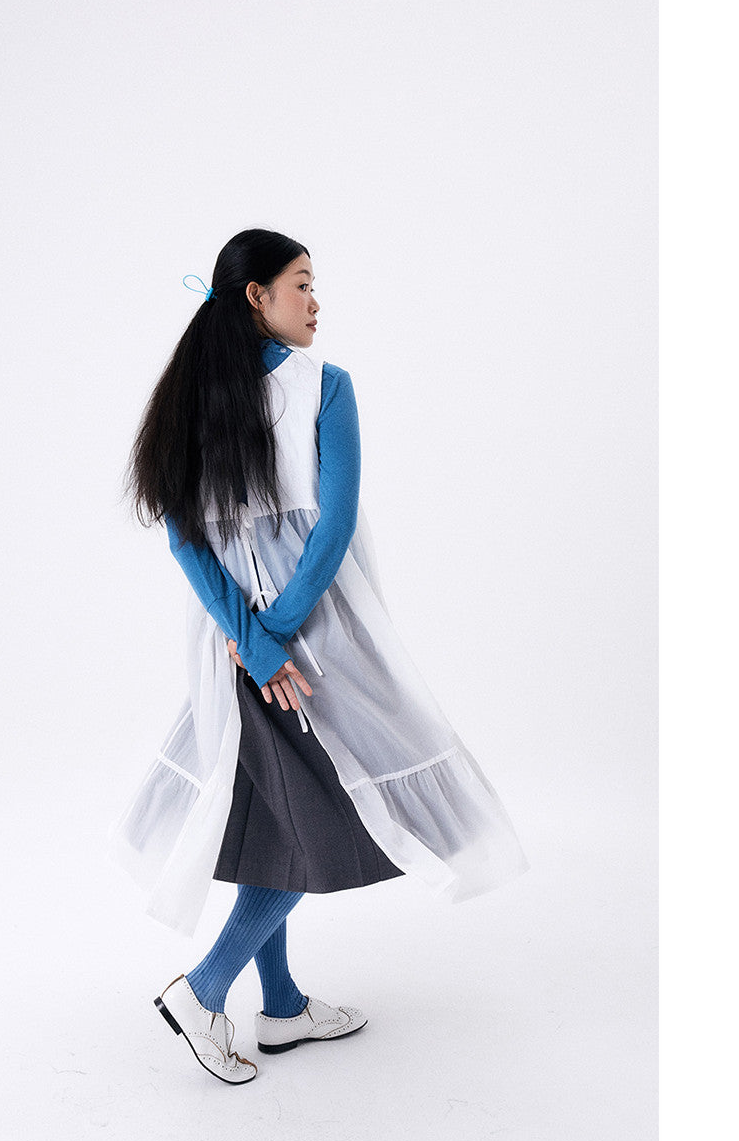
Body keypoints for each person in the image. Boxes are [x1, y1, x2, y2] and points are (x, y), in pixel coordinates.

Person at [115, 228, 529, 1085]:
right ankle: (203, 991)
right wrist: (275, 637)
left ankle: (282, 1008)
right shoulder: (322, 387)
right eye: (302, 283)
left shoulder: (213, 394)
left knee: (277, 818)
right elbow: (329, 529)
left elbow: (190, 540)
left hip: (239, 644)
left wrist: (250, 635)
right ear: (256, 296)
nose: (315, 301)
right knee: (322, 816)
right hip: (312, 643)